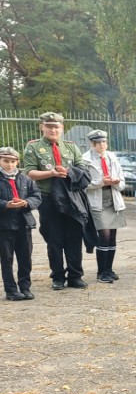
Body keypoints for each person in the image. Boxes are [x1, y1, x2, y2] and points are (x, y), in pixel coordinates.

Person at [23, 112, 91, 290]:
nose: (53, 129)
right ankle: (58, 277)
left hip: (71, 198)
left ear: (62, 128)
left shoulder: (71, 147)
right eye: (49, 126)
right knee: (54, 239)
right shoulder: (34, 147)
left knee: (74, 237)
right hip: (48, 199)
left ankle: (75, 275)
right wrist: (51, 173)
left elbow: (82, 168)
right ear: (42, 127)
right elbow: (30, 173)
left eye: (57, 126)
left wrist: (68, 172)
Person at [82, 130, 127, 283]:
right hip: (97, 201)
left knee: (113, 237)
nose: (102, 145)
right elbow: (83, 185)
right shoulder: (85, 160)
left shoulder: (112, 157)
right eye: (98, 142)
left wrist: (116, 182)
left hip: (112, 199)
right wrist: (101, 182)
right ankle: (101, 272)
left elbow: (122, 181)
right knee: (104, 235)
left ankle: (109, 269)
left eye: (104, 142)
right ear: (92, 144)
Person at [0, 147, 41, 300]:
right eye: (5, 161)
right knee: (7, 258)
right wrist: (6, 204)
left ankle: (25, 287)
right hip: (4, 225)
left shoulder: (25, 179)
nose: (9, 165)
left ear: (17, 161)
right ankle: (11, 290)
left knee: (25, 257)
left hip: (24, 223)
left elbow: (36, 195)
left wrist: (26, 202)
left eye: (12, 161)